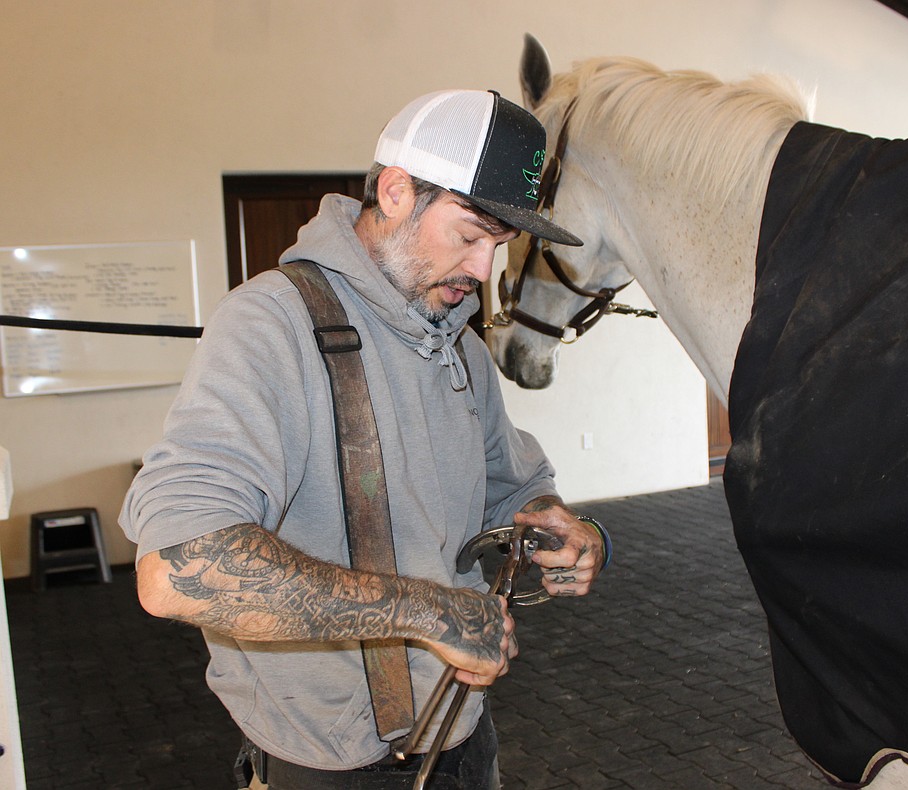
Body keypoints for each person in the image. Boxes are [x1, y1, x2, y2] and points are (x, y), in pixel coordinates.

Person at [119, 88, 609, 790]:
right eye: (469, 236)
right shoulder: (270, 326)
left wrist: (558, 524)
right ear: (397, 191)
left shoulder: (461, 347)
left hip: (466, 738)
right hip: (327, 766)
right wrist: (427, 609)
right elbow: (177, 569)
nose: (482, 274)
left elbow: (512, 486)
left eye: (500, 247)